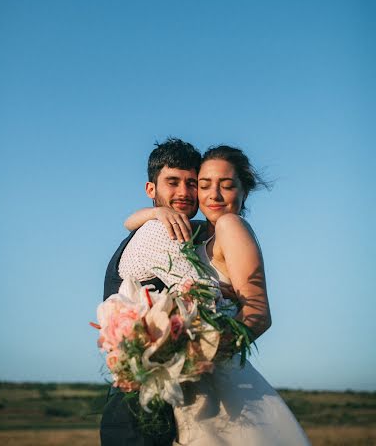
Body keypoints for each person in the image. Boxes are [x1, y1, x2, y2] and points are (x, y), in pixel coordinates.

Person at [125, 144, 310, 445]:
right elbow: (129, 222)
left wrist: (195, 360)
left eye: (227, 186)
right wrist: (154, 211)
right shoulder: (199, 234)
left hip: (218, 377)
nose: (214, 195)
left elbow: (258, 315)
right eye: (205, 185)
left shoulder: (230, 224)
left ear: (243, 192)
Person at [100, 138, 203, 446]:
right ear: (151, 190)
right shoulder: (160, 231)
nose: (184, 192)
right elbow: (207, 297)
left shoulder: (169, 227)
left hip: (140, 399)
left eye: (192, 183)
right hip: (144, 409)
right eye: (172, 182)